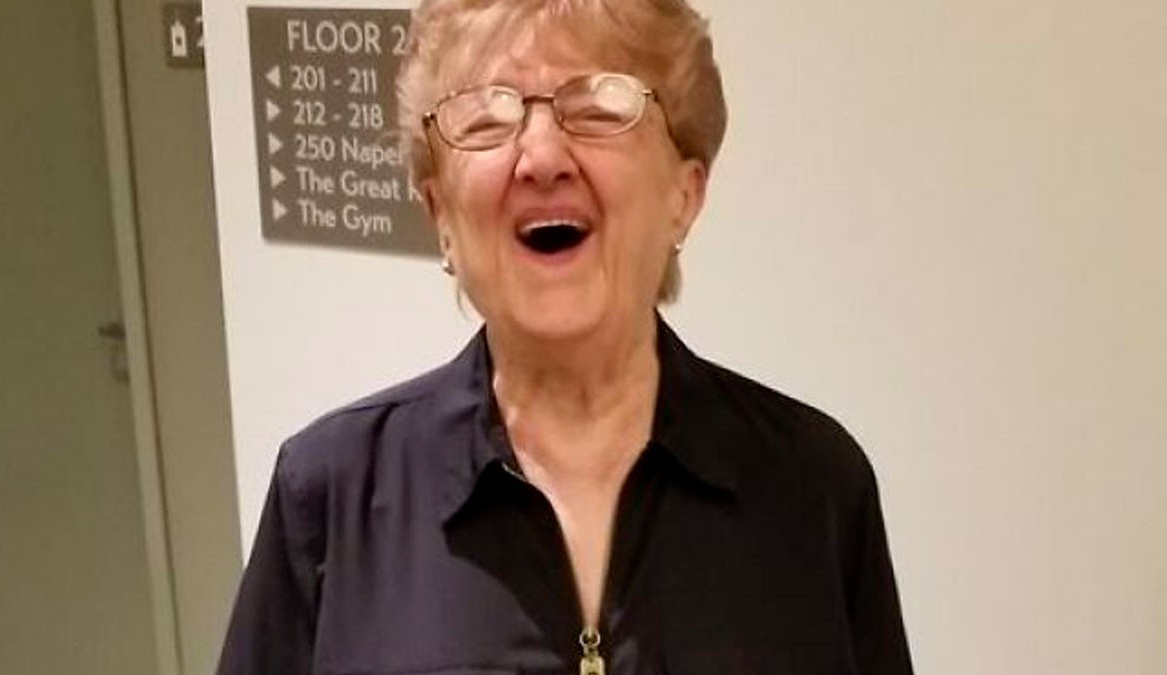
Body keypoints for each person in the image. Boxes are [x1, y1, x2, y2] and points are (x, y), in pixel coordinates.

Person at [217, 0, 914, 673]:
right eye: (486, 119)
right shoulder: (329, 497)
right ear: (439, 213)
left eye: (601, 108)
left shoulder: (816, 489)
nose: (542, 156)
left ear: (685, 194)